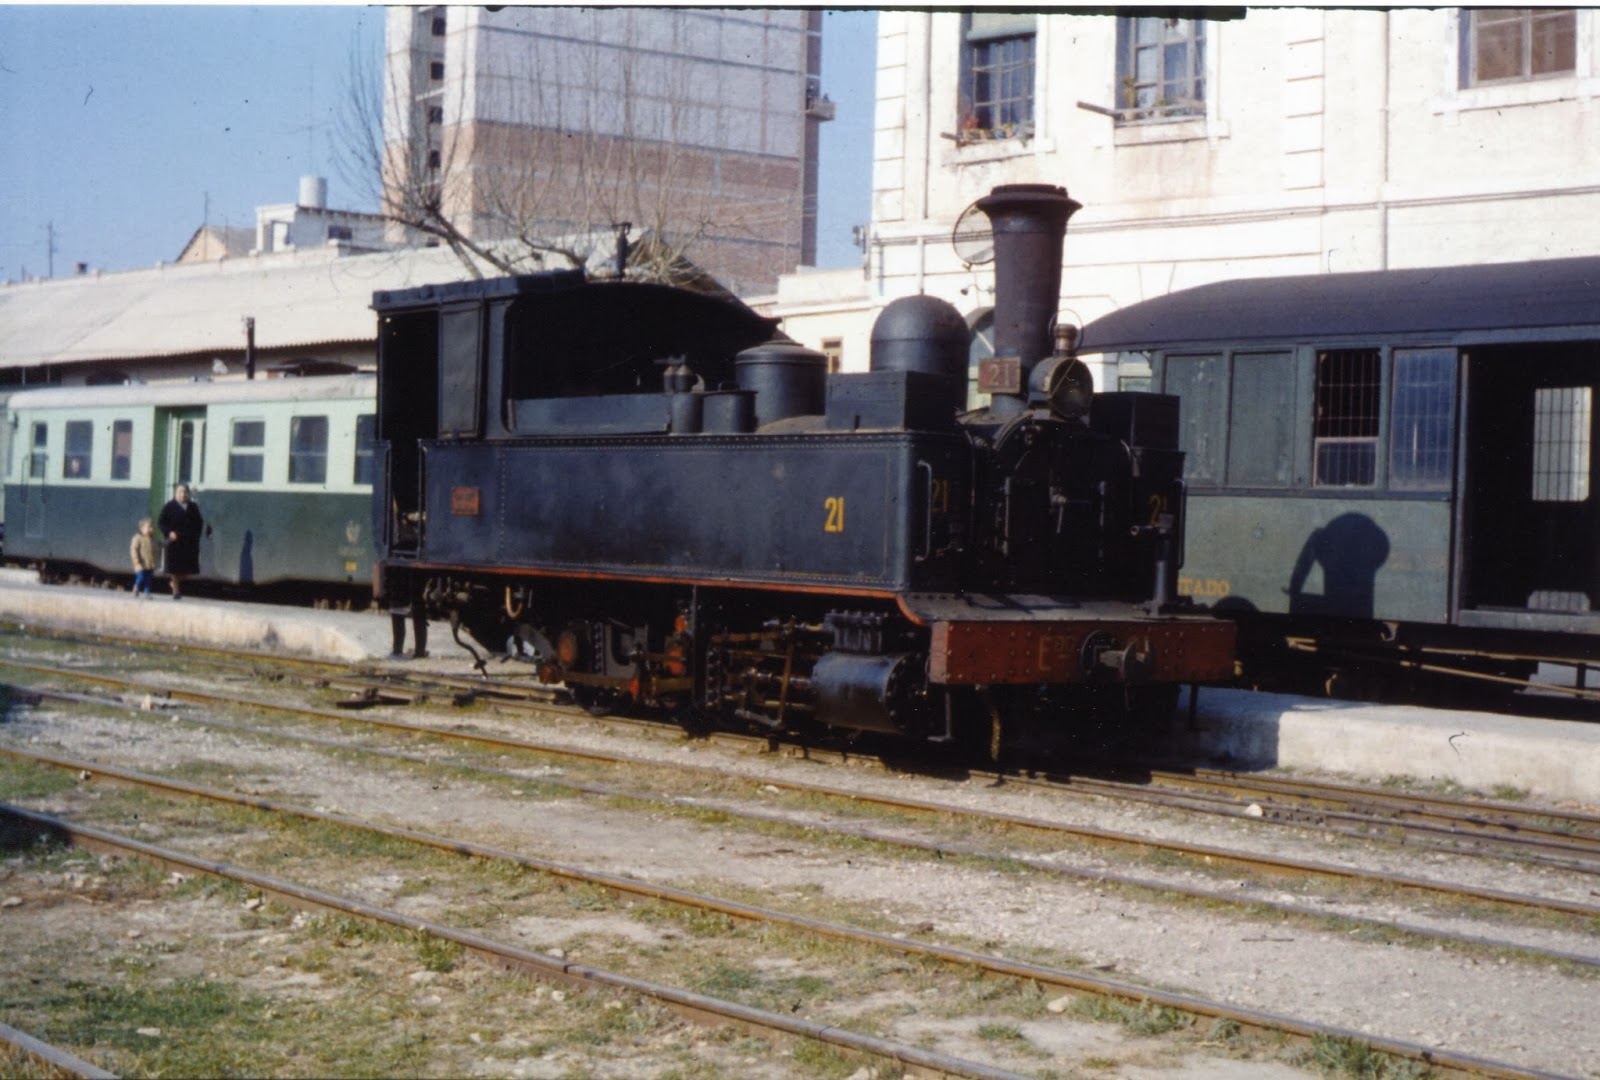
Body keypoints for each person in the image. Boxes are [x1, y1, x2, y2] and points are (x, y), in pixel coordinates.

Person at [157, 483, 204, 599]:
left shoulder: (193, 507)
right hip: (175, 542)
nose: (183, 494)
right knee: (174, 568)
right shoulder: (169, 506)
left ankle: (175, 583)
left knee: (187, 570)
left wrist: (196, 536)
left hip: (189, 542)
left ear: (188, 494)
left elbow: (199, 522)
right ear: (175, 493)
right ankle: (176, 590)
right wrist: (169, 532)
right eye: (180, 492)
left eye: (185, 492)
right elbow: (161, 523)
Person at [129, 517, 156, 598]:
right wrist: (136, 560)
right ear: (141, 528)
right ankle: (136, 587)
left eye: (151, 527)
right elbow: (133, 549)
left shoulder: (152, 539)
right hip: (140, 563)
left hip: (149, 564)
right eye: (149, 527)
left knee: (148, 579)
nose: (151, 529)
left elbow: (160, 544)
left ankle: (147, 592)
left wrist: (169, 540)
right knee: (140, 577)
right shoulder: (137, 538)